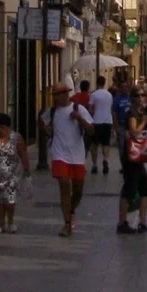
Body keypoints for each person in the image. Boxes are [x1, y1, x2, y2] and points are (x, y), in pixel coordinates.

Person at [47, 83, 94, 237]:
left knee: (78, 190)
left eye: (59, 94)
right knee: (64, 184)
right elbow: (41, 121)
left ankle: (71, 210)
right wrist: (48, 132)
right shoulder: (52, 111)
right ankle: (67, 223)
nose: (56, 97)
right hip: (59, 154)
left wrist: (79, 119)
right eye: (55, 95)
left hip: (77, 155)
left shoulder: (78, 109)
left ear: (67, 94)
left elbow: (91, 130)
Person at [117, 87, 147, 234]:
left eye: (142, 95)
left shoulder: (139, 112)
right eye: (137, 95)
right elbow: (133, 131)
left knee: (145, 188)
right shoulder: (132, 113)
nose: (140, 98)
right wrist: (144, 122)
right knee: (129, 189)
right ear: (132, 98)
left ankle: (142, 221)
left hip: (137, 157)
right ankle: (122, 222)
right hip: (131, 157)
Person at [0, 113, 30, 234]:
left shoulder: (16, 138)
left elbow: (23, 154)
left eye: (2, 127)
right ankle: (1, 224)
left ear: (8, 127)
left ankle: (10, 222)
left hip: (12, 175)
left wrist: (26, 168)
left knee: (9, 200)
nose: (0, 130)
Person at [88, 76, 114, 175]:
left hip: (97, 121)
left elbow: (90, 109)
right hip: (108, 121)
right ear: (104, 83)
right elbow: (110, 108)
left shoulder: (93, 95)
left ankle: (95, 165)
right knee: (105, 143)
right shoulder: (109, 95)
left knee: (94, 144)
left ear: (96, 82)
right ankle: (105, 160)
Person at [112, 80, 132, 173]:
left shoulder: (131, 98)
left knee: (131, 146)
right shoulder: (116, 99)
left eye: (126, 87)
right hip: (121, 125)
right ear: (119, 89)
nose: (125, 89)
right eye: (123, 87)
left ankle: (131, 164)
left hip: (131, 126)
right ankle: (123, 165)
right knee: (121, 146)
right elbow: (114, 113)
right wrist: (116, 126)